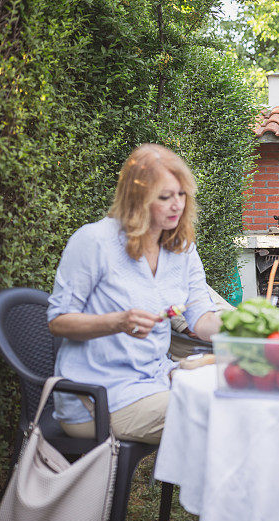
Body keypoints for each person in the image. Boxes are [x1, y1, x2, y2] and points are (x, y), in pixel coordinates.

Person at [47, 144, 221, 444]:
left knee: (244, 392)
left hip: (157, 379)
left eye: (181, 194)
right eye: (164, 197)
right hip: (97, 398)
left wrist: (251, 325)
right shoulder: (95, 241)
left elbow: (202, 320)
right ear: (137, 199)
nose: (176, 205)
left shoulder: (181, 248)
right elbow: (58, 321)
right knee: (218, 413)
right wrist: (117, 322)